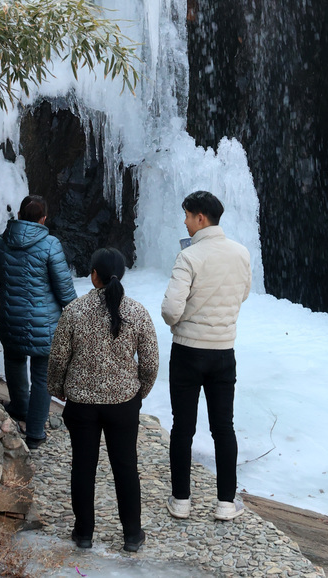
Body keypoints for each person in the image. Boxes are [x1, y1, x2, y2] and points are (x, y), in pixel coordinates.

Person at [48, 247, 159, 553]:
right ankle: (132, 535)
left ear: (93, 275)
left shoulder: (74, 311)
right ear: (120, 275)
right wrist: (139, 393)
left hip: (82, 404)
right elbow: (150, 363)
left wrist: (57, 388)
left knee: (82, 467)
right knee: (125, 468)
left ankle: (84, 533)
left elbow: (58, 357)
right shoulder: (138, 312)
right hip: (123, 404)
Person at [161, 190, 252, 522]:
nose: (184, 222)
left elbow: (171, 311)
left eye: (187, 216)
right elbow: (242, 293)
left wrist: (186, 318)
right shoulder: (241, 253)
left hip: (187, 352)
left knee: (183, 428)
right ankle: (226, 503)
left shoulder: (189, 257)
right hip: (223, 353)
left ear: (201, 218)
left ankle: (181, 501)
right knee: (223, 428)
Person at [0, 194, 75, 449]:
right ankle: (35, 433)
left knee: (14, 363)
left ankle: (20, 410)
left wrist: (10, 301)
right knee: (42, 376)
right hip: (45, 323)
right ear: (43, 218)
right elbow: (65, 291)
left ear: (21, 216)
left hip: (10, 317)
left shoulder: (1, 243)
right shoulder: (50, 244)